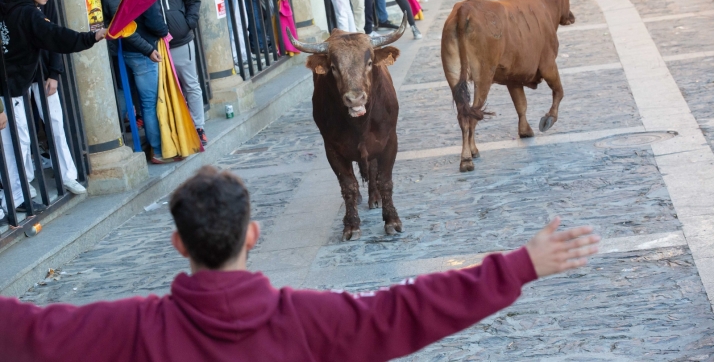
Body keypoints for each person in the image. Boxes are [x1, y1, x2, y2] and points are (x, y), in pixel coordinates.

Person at [0, 165, 600, 361]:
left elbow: (28, 331)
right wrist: (518, 265)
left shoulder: (133, 328)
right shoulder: (306, 321)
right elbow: (410, 309)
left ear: (179, 244)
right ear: (254, 235)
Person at [0, 0, 106, 222]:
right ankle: (14, 197)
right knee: (15, 143)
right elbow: (55, 36)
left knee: (18, 141)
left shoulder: (9, 6)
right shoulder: (28, 14)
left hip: (13, 87)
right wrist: (90, 38)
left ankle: (19, 194)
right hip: (7, 89)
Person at [7, 0, 88, 196]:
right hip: (17, 74)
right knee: (19, 131)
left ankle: (67, 175)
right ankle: (23, 186)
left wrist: (54, 71)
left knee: (55, 122)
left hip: (42, 71)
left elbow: (55, 34)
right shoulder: (8, 1)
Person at [148, 0, 207, 147]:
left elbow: (194, 0)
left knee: (191, 85)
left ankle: (198, 127)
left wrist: (188, 23)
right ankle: (176, 131)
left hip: (181, 42)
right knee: (166, 91)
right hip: (157, 47)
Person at [124, 0, 173, 164]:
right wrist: (164, 31)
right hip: (142, 51)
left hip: (135, 49)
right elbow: (152, 19)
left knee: (145, 101)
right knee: (150, 102)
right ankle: (158, 149)